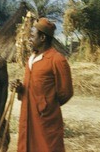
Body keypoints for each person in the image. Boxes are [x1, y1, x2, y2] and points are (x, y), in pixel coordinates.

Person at [11, 18, 73, 152]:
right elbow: (30, 86)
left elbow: (66, 92)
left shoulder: (57, 60)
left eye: (32, 36)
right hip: (27, 115)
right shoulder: (31, 59)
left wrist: (47, 104)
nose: (29, 39)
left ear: (43, 37)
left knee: (47, 147)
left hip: (45, 119)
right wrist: (20, 88)